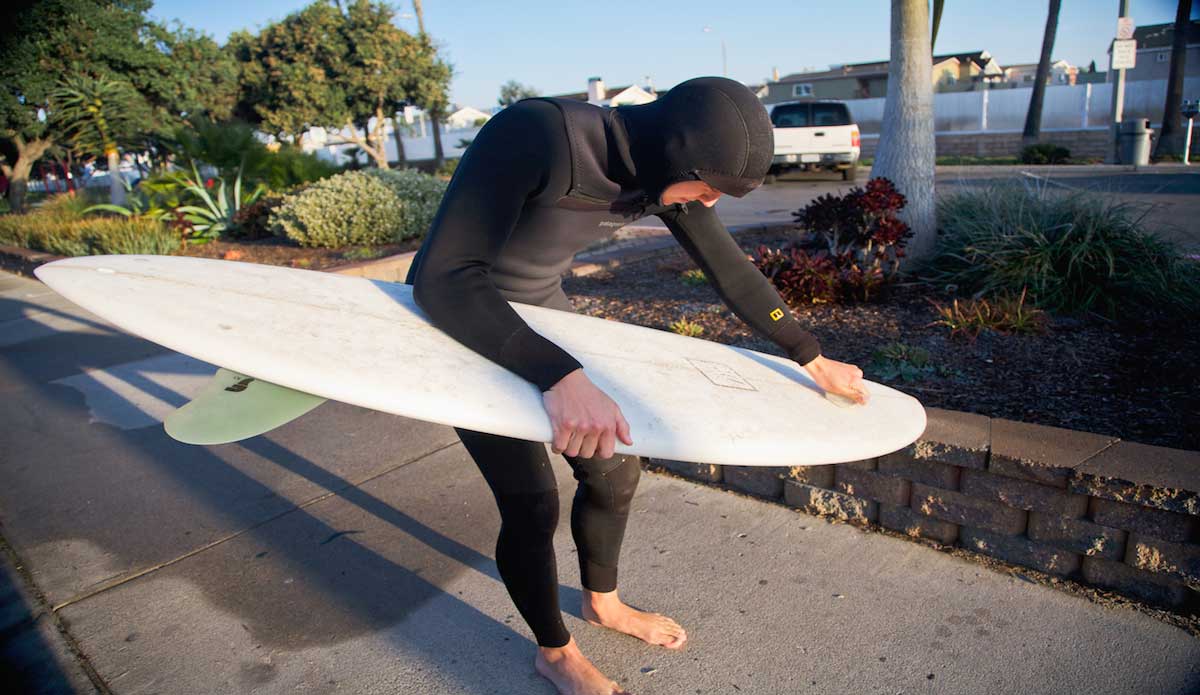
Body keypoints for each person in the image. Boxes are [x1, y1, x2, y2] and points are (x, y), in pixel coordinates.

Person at [406, 76, 868, 695]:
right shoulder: (538, 136)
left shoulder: (662, 175)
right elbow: (445, 278)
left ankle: (604, 603)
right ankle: (556, 651)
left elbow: (729, 268)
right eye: (706, 187)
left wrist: (811, 356)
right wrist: (560, 376)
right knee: (531, 502)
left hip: (542, 316)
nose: (708, 203)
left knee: (615, 470)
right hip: (469, 322)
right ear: (678, 153)